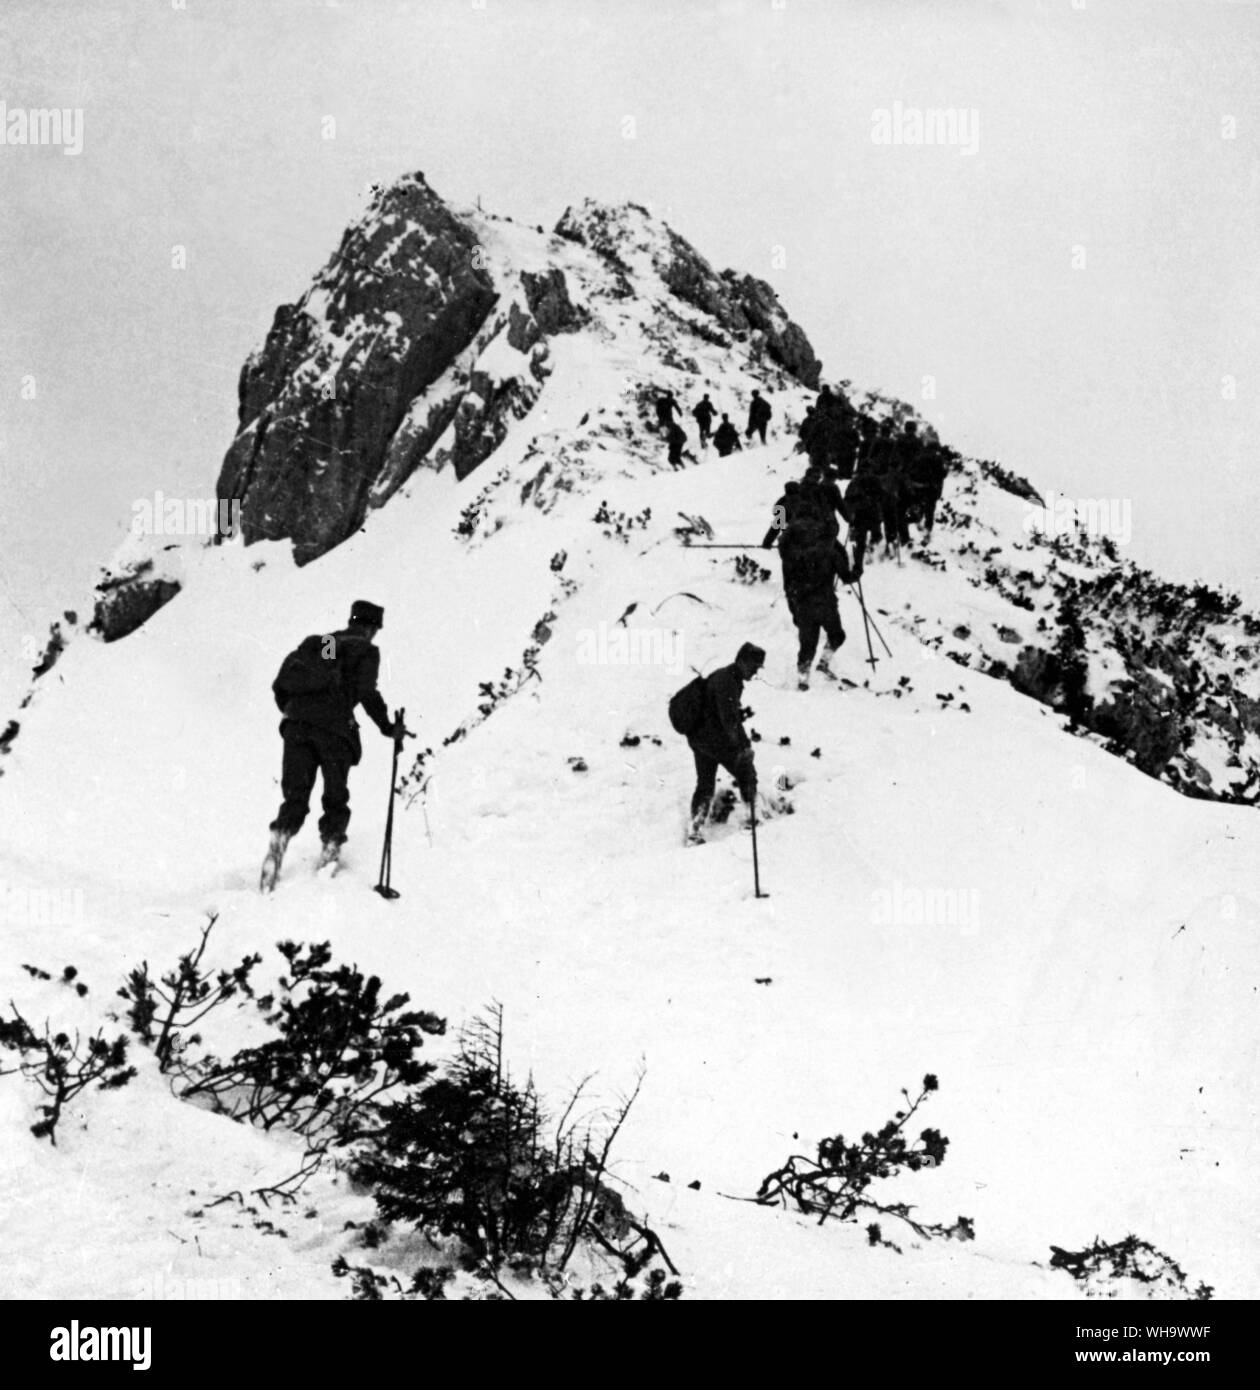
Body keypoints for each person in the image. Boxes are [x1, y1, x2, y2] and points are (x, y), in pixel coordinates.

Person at [262, 599, 405, 887]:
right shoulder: (366, 650)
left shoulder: (326, 642)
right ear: (371, 627)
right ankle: (330, 848)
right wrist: (388, 727)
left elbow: (322, 677)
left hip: (298, 725)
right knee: (335, 795)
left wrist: (302, 712)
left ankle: (280, 838)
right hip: (335, 730)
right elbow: (365, 692)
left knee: (296, 794)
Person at [686, 642, 764, 843]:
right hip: (715, 741)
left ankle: (695, 828)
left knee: (705, 783)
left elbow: (720, 710)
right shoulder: (728, 681)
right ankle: (751, 818)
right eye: (754, 666)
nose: (755, 672)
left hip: (699, 738)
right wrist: (744, 746)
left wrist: (739, 715)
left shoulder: (723, 676)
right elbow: (728, 721)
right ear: (742, 661)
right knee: (747, 772)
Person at [778, 525, 851, 690]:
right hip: (825, 604)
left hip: (804, 605)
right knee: (837, 635)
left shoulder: (800, 551)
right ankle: (823, 663)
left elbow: (789, 576)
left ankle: (803, 680)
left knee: (807, 644)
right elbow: (847, 576)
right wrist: (858, 569)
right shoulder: (832, 552)